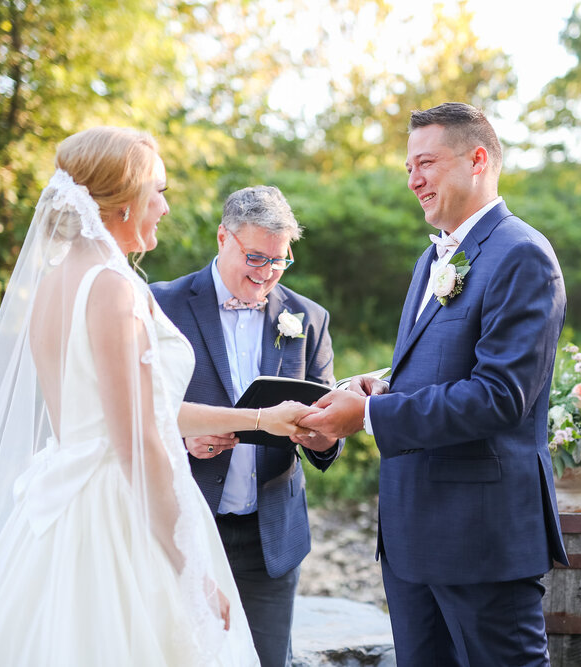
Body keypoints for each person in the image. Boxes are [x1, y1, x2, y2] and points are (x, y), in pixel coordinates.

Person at [0, 127, 316, 667]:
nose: (163, 205)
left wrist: (261, 419)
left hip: (61, 510)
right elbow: (139, 442)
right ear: (124, 198)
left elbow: (136, 413)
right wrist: (190, 572)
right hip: (117, 519)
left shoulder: (55, 282)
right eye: (157, 191)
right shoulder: (112, 287)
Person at [300, 103, 570, 666]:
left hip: (479, 534)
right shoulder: (432, 260)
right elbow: (439, 366)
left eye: (426, 163)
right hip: (411, 529)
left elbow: (500, 396)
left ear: (477, 160)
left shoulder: (521, 254)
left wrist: (369, 418)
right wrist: (379, 387)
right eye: (407, 167)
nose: (413, 179)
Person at [151, 185, 343, 667]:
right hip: (185, 527)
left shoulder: (307, 317)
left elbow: (325, 419)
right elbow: (134, 412)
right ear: (223, 237)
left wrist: (323, 436)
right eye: (256, 258)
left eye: (280, 261)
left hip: (271, 538)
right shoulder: (161, 304)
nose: (267, 274)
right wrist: (182, 437)